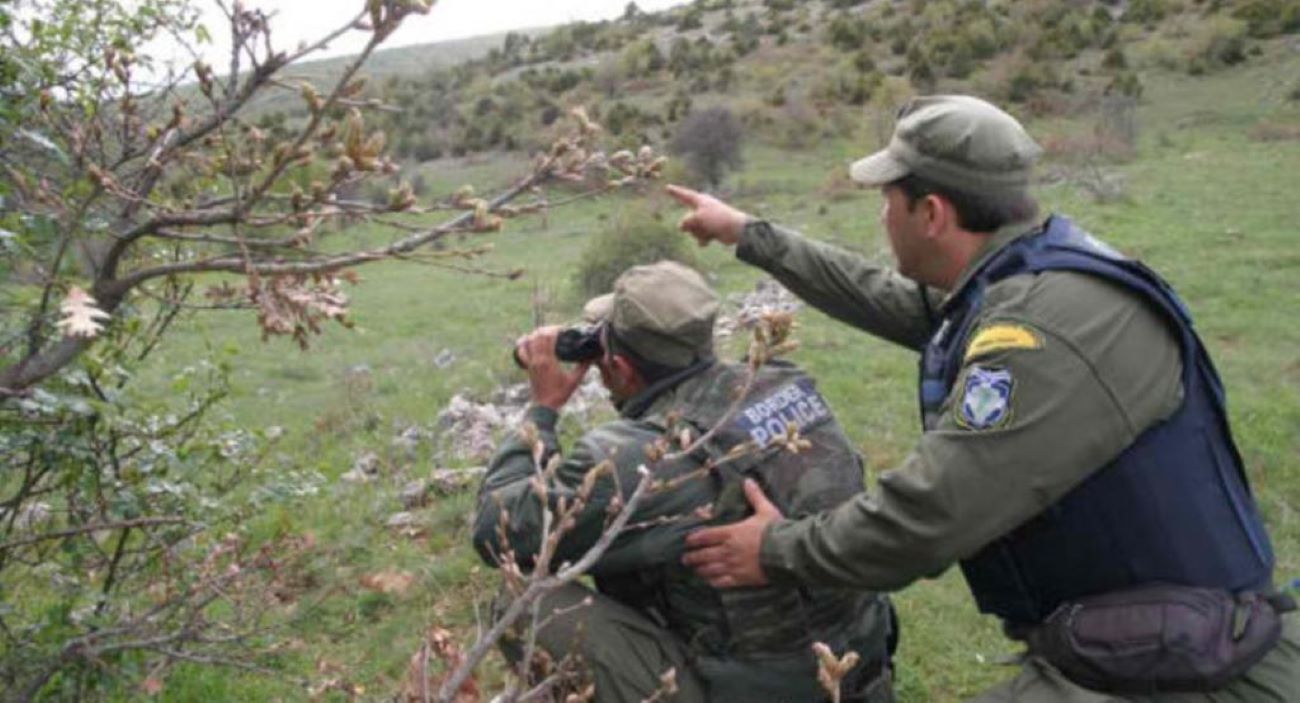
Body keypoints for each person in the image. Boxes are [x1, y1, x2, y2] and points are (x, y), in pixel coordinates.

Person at [666, 95, 1299, 701]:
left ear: (932, 213)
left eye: (887, 199)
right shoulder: (1024, 275)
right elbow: (885, 297)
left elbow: (928, 517)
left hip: (1195, 666)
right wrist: (748, 234)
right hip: (1137, 638)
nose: (881, 216)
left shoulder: (1043, 331)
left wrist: (776, 550)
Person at [472, 261, 897, 702]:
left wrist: (542, 411)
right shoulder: (786, 383)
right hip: (856, 672)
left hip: (755, 690)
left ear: (618, 365)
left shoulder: (642, 456)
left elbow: (496, 531)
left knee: (520, 601)